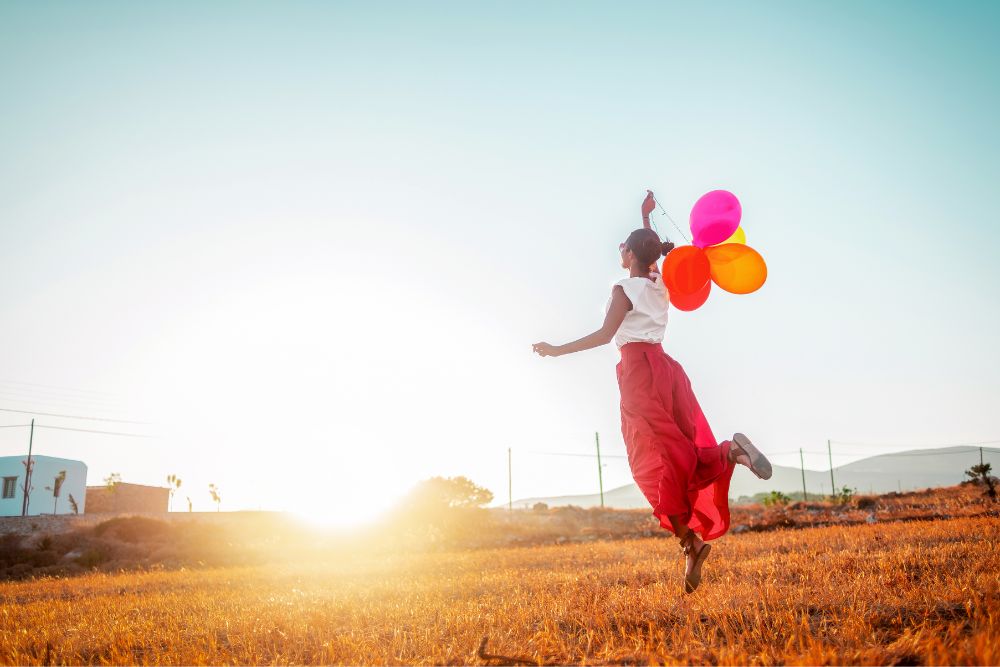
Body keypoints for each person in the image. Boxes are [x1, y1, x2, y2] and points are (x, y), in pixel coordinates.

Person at [532, 226, 772, 593]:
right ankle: (703, 515)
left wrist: (555, 350)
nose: (620, 251)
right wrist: (645, 219)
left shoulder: (624, 289)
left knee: (650, 466)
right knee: (679, 453)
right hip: (667, 370)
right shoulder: (660, 282)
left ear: (629, 254)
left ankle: (693, 534)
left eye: (622, 247)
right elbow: (648, 252)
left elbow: (603, 335)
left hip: (638, 374)